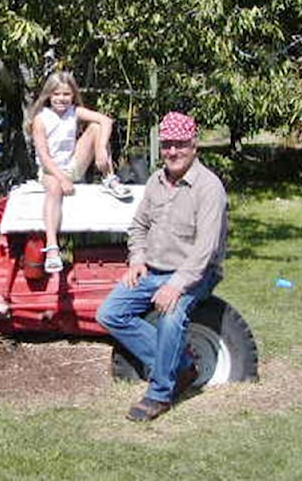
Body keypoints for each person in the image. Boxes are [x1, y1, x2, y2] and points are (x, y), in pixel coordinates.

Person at [96, 111, 228, 421]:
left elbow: (205, 249)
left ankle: (160, 394)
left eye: (180, 144)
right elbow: (139, 225)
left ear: (194, 145)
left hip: (195, 273)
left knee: (170, 318)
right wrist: (137, 258)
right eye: (167, 145)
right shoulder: (156, 181)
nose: (172, 152)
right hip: (153, 269)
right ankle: (181, 365)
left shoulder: (209, 188)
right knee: (109, 313)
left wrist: (176, 285)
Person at [27, 71, 132, 273]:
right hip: (51, 171)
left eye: (67, 94)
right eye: (57, 94)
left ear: (73, 95)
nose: (62, 99)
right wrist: (61, 178)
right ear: (49, 95)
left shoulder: (74, 112)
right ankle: (52, 246)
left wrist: (101, 147)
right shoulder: (41, 120)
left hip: (72, 165)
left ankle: (110, 178)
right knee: (54, 189)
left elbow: (106, 121)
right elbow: (44, 157)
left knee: (95, 128)